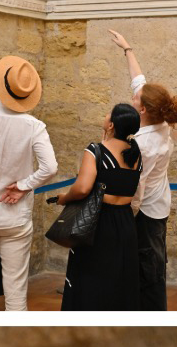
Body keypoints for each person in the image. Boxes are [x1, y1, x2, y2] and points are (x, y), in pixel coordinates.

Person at [0, 56, 57, 311]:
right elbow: (50, 167)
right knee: (16, 294)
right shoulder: (34, 126)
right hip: (15, 218)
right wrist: (24, 185)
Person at [108, 30, 177, 310]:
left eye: (135, 98)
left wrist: (127, 215)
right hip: (159, 204)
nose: (132, 97)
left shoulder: (144, 143)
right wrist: (127, 49)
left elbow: (137, 187)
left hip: (147, 212)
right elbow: (139, 81)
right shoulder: (160, 121)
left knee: (148, 268)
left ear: (142, 110)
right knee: (151, 262)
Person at [57, 103, 143, 311]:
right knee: (120, 279)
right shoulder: (136, 155)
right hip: (125, 221)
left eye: (108, 114)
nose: (105, 115)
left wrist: (64, 198)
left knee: (90, 278)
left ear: (111, 124)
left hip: (99, 221)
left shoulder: (95, 150)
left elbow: (83, 188)